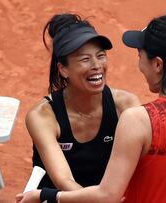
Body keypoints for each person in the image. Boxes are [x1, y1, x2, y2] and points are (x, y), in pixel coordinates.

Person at [16, 13, 166, 203]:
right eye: (84, 59)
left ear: (157, 64)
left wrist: (44, 196)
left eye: (139, 56)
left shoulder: (138, 119)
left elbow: (108, 195)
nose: (138, 65)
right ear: (63, 69)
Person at [27, 13, 140, 191]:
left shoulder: (126, 106)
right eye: (85, 59)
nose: (97, 65)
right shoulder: (42, 116)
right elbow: (64, 181)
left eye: (101, 56)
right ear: (63, 69)